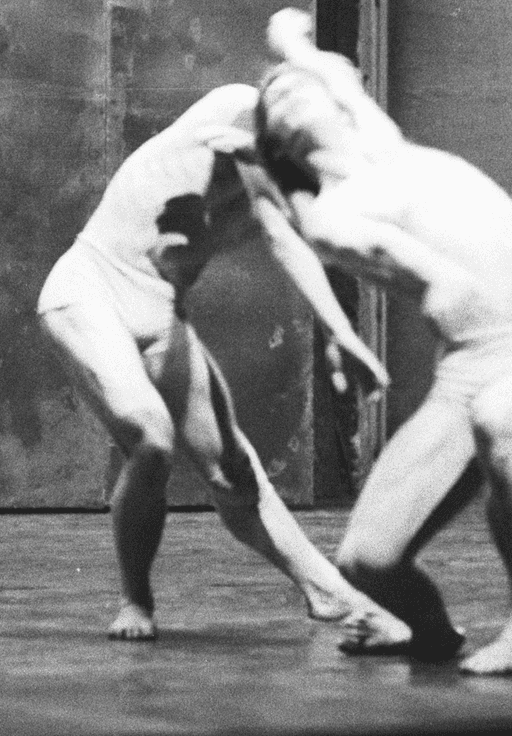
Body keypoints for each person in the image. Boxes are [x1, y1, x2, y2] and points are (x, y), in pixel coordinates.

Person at [249, 9, 512, 676]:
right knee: (367, 557)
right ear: (279, 140)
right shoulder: (332, 213)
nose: (290, 88)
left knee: (500, 421)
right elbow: (400, 260)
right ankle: (427, 629)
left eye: (298, 82)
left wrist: (290, 40)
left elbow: (321, 67)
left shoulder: (379, 139)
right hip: (471, 370)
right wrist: (431, 277)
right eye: (274, 95)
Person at [37, 81, 410, 647]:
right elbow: (282, 231)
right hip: (90, 289)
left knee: (234, 469)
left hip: (162, 312)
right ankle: (135, 598)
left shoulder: (284, 176)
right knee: (151, 437)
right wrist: (341, 331)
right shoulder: (234, 109)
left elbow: (301, 236)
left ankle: (326, 590)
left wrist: (345, 325)